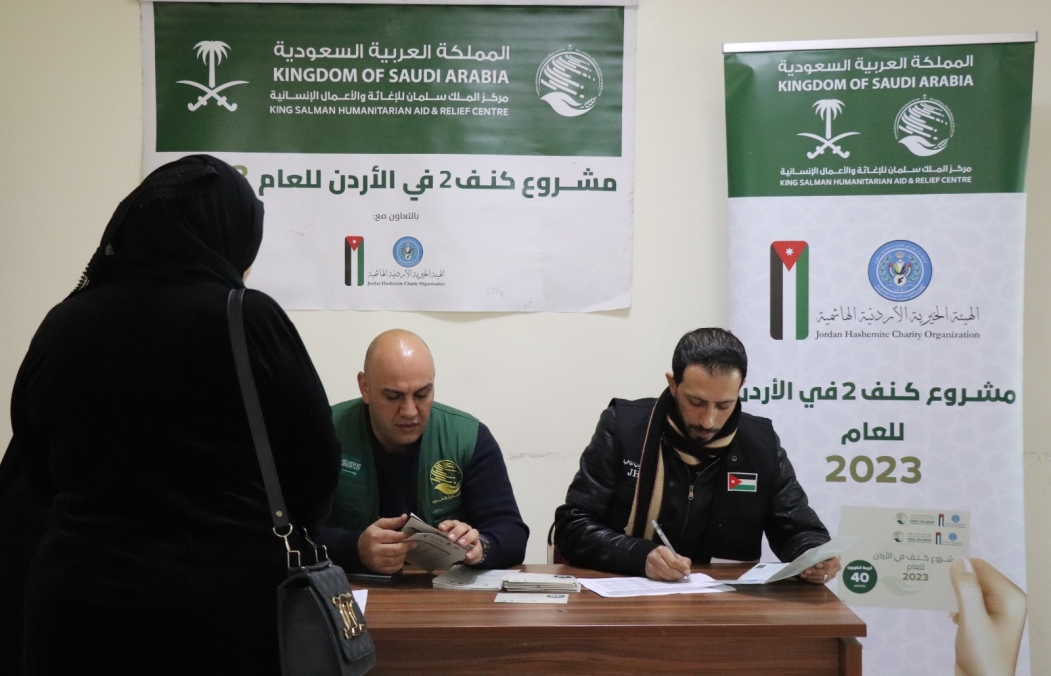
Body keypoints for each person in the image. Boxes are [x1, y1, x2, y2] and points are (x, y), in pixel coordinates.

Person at [2, 155, 340, 675]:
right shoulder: (246, 319)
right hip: (221, 614)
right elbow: (315, 466)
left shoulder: (64, 322)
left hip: (79, 610)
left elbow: (35, 460)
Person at [554, 327, 839, 583]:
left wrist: (813, 556)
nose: (708, 421)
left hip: (727, 606)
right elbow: (573, 528)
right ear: (673, 384)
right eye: (696, 402)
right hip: (629, 601)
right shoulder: (625, 428)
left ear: (740, 388)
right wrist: (638, 555)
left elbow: (798, 529)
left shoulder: (760, 443)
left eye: (724, 405)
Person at [318, 329, 528, 574]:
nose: (409, 411)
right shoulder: (324, 434)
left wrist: (480, 547)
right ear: (365, 387)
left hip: (439, 591)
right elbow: (293, 533)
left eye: (422, 394)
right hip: (348, 589)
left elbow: (512, 533)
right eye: (393, 396)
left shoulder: (468, 438)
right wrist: (354, 548)